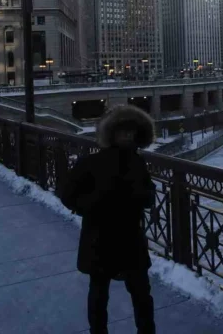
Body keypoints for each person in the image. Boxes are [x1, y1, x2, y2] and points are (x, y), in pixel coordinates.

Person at [60, 105, 157, 334]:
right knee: (101, 294)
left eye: (132, 131)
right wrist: (94, 206)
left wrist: (140, 196)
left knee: (140, 294)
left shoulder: (137, 162)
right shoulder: (91, 163)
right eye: (123, 131)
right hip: (102, 237)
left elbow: (148, 196)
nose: (128, 136)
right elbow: (67, 194)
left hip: (127, 237)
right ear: (112, 133)